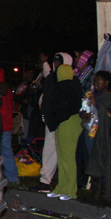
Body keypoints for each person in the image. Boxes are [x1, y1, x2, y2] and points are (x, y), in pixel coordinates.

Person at [32, 52, 73, 192]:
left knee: (61, 153)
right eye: (55, 62)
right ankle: (46, 181)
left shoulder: (68, 81)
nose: (56, 65)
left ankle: (64, 183)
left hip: (62, 122)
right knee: (50, 150)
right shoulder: (53, 78)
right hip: (51, 121)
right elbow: (47, 73)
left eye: (59, 62)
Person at [44, 63, 83, 200]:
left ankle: (70, 190)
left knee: (68, 158)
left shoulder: (68, 87)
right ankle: (62, 186)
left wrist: (55, 118)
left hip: (69, 123)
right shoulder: (68, 86)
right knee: (61, 157)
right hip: (63, 123)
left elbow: (66, 107)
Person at [85, 71, 111, 203]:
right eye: (95, 81)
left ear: (107, 83)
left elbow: (106, 114)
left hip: (108, 137)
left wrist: (96, 104)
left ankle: (108, 196)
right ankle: (96, 195)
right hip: (95, 135)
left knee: (110, 166)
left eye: (99, 81)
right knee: (96, 163)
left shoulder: (110, 98)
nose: (96, 84)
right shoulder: (95, 97)